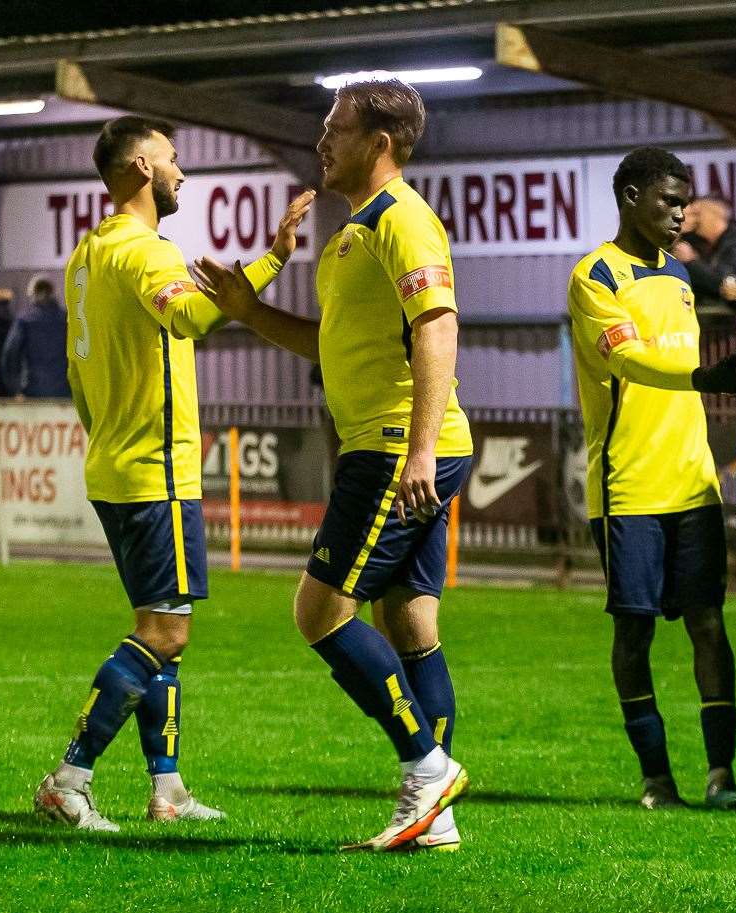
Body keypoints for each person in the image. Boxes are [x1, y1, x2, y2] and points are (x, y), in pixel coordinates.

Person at [194, 79, 471, 852]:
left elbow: (437, 327)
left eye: (335, 129)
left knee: (319, 612)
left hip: (393, 446)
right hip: (400, 443)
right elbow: (331, 345)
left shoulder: (404, 220)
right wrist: (248, 311)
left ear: (379, 142)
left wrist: (416, 447)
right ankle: (432, 816)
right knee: (409, 618)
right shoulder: (356, 230)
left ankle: (427, 767)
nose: (322, 142)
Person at [32, 115, 312, 832]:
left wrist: (107, 441)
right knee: (164, 633)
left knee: (162, 624)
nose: (181, 172)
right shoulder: (146, 252)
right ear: (137, 171)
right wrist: (273, 259)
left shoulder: (87, 255)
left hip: (115, 465)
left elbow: (74, 371)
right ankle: (69, 776)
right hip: (156, 470)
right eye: (170, 160)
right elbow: (189, 316)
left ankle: (167, 787)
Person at [566, 146, 736, 811]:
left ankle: (722, 775)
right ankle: (656, 778)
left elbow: (680, 368)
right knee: (634, 631)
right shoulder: (595, 275)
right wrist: (705, 377)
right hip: (628, 484)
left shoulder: (682, 277)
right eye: (668, 201)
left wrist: (733, 383)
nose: (681, 213)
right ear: (630, 196)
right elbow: (627, 360)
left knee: (708, 624)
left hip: (693, 482)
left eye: (685, 202)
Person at [671, 195, 736, 336]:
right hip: (691, 326)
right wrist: (677, 232)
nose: (693, 220)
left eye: (697, 214)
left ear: (715, 216)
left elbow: (727, 282)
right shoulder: (691, 238)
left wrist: (691, 261)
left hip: (720, 332)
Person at [1, 275, 71, 399]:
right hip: (64, 389)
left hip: (33, 389)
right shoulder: (67, 319)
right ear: (54, 292)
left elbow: (10, 355)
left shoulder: (24, 320)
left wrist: (15, 389)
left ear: (31, 294)